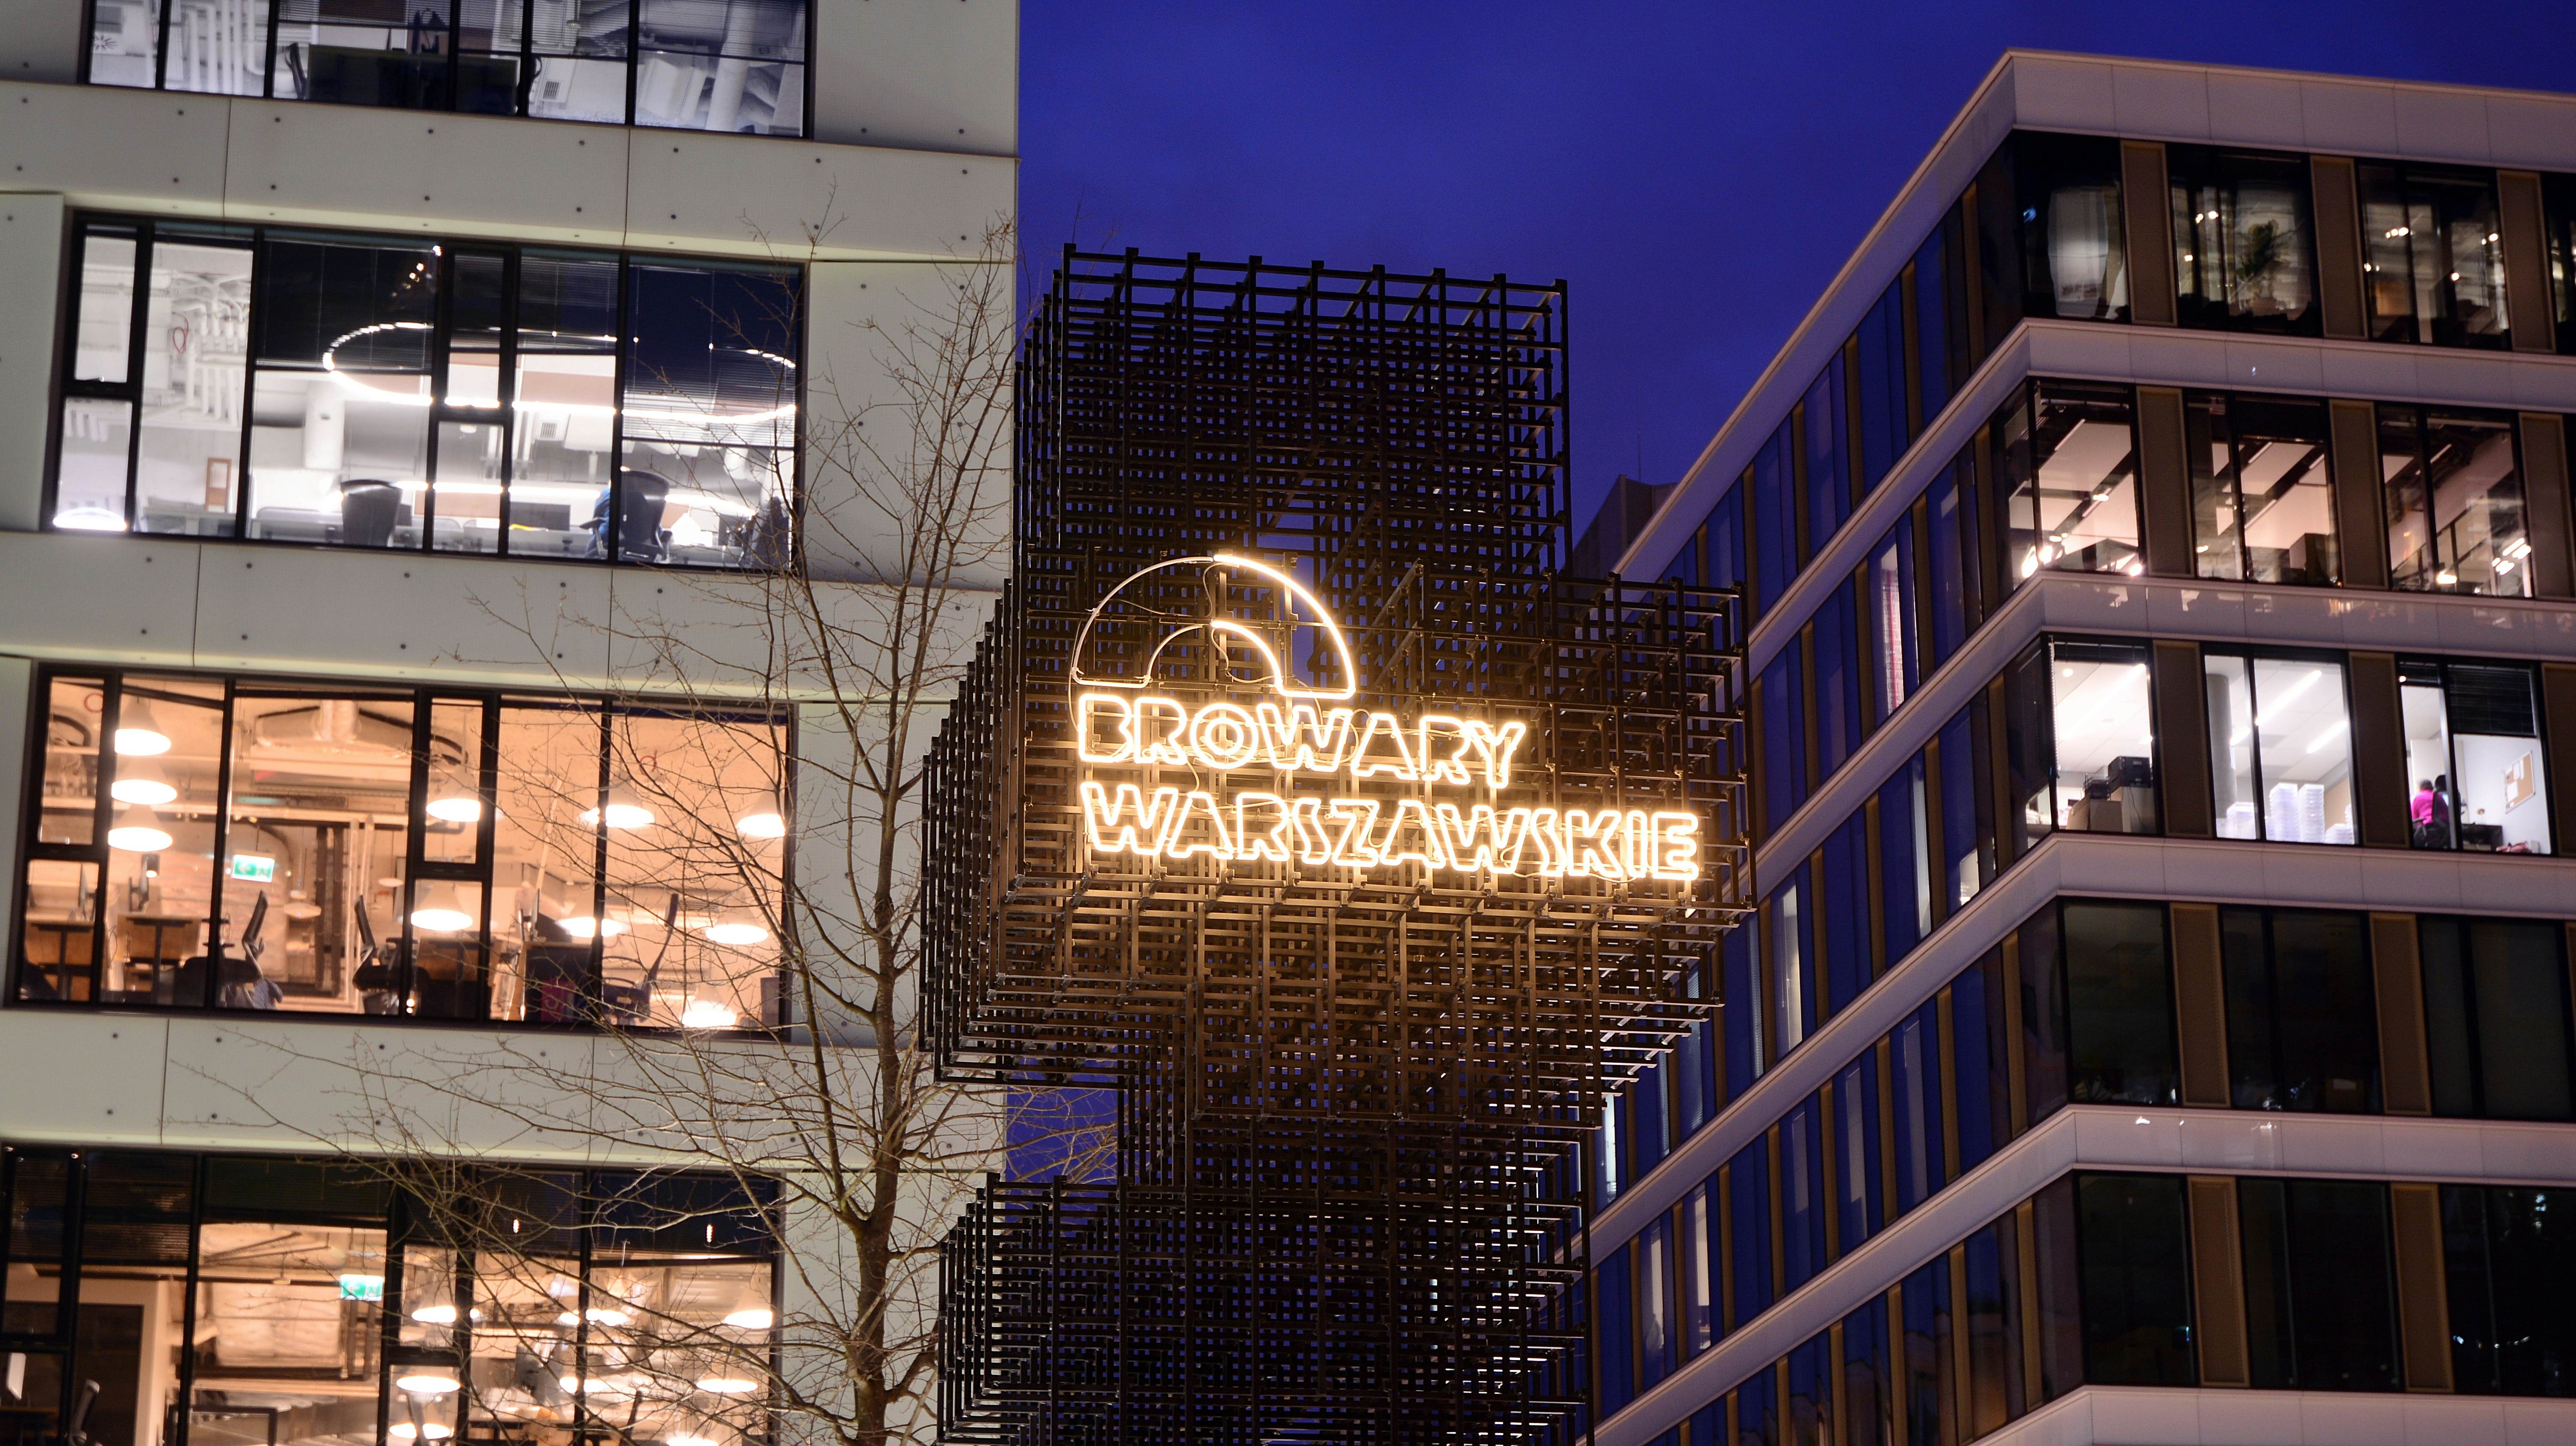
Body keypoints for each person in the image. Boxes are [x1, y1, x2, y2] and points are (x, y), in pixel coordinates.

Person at [2411, 777, 2449, 850]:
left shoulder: (2417, 798)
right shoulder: (2439, 796)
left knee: (2414, 844)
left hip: (2426, 827)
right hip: (2442, 829)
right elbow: (2446, 813)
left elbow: (2415, 818)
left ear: (2421, 788)